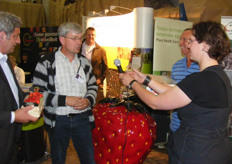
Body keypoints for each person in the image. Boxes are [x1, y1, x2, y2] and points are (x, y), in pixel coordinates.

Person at [119, 21, 232, 164]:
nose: (188, 45)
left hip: (195, 154)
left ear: (205, 45)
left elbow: (155, 103)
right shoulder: (218, 76)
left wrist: (132, 84)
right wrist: (146, 81)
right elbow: (178, 93)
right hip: (216, 152)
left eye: (191, 41)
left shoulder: (200, 79)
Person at [33, 22, 97, 164]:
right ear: (62, 39)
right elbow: (37, 93)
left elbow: (93, 86)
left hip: (83, 119)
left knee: (89, 159)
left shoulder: (84, 62)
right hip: (58, 120)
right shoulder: (46, 63)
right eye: (74, 39)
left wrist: (88, 100)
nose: (79, 42)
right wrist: (65, 100)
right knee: (58, 159)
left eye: (80, 38)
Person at [0, 11, 38, 164]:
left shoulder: (6, 60)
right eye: (15, 36)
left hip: (11, 144)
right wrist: (14, 116)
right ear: (2, 35)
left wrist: (29, 101)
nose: (18, 42)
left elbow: (12, 93)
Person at [167, 28, 199, 154]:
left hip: (192, 132)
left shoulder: (203, 68)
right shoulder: (176, 66)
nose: (181, 43)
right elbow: (172, 93)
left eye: (185, 39)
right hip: (175, 128)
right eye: (180, 39)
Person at [81, 27, 108, 103]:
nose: (90, 37)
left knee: (93, 103)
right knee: (81, 103)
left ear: (95, 36)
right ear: (85, 35)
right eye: (88, 34)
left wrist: (100, 79)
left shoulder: (101, 50)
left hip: (94, 82)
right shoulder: (78, 47)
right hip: (80, 82)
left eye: (92, 35)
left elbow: (105, 68)